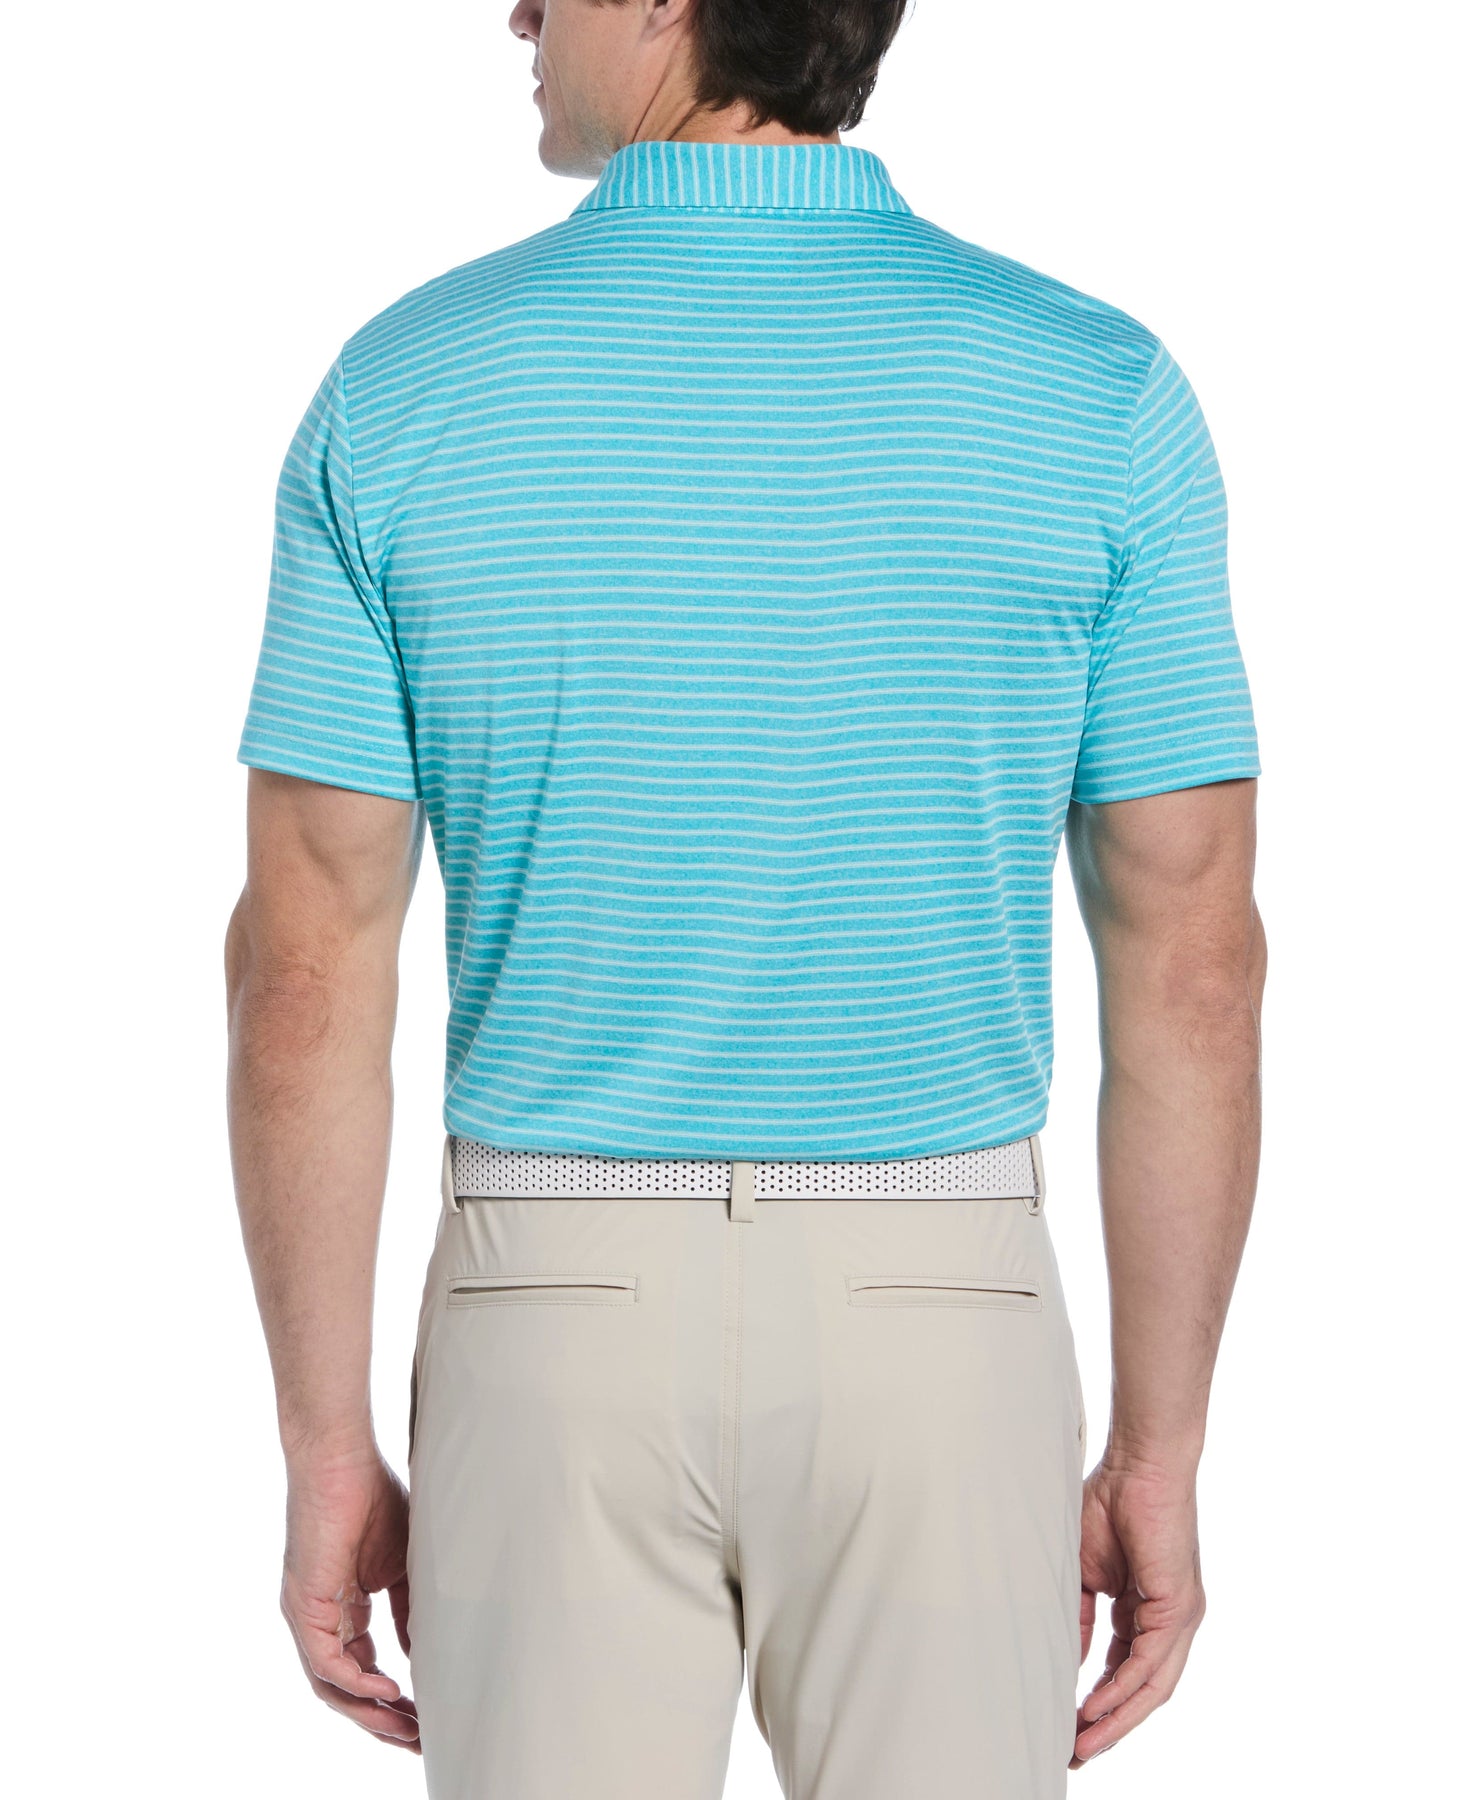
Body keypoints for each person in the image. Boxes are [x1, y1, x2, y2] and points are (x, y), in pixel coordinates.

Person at [224, 2, 1267, 1795]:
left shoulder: (404, 390)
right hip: (942, 1311)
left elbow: (305, 974)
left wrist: (327, 1449)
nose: (517, 10)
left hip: (550, 1307)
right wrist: (1157, 1451)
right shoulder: (1092, 390)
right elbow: (1193, 967)